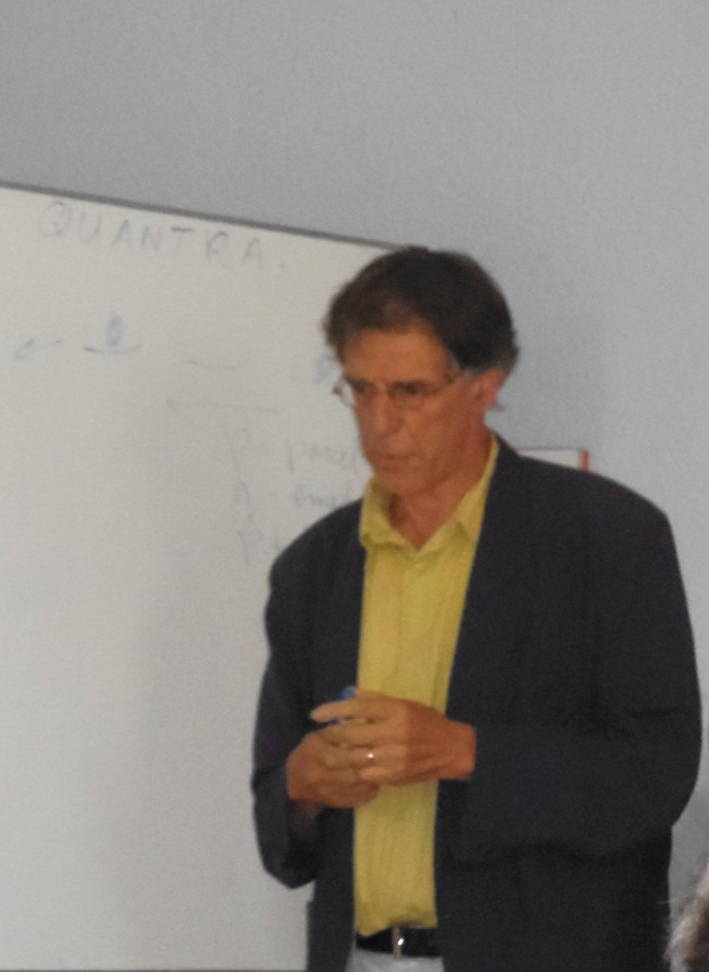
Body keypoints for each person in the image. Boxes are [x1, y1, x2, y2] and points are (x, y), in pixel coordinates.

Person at [251, 247, 701, 972]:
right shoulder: (313, 568)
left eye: (410, 391)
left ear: (485, 384)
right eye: (361, 390)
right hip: (361, 958)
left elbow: (656, 774)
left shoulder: (608, 537)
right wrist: (301, 790)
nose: (379, 424)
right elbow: (279, 825)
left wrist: (464, 751)